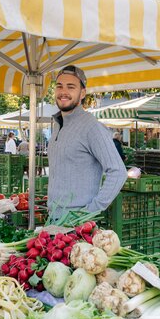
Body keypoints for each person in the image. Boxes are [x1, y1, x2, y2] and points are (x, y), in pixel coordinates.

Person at [48, 65, 127, 219]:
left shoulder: (91, 127)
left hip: (77, 224)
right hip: (54, 220)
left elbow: (118, 172)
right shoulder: (59, 124)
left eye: (71, 87)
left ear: (82, 93)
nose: (63, 92)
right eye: (59, 86)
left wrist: (90, 211)